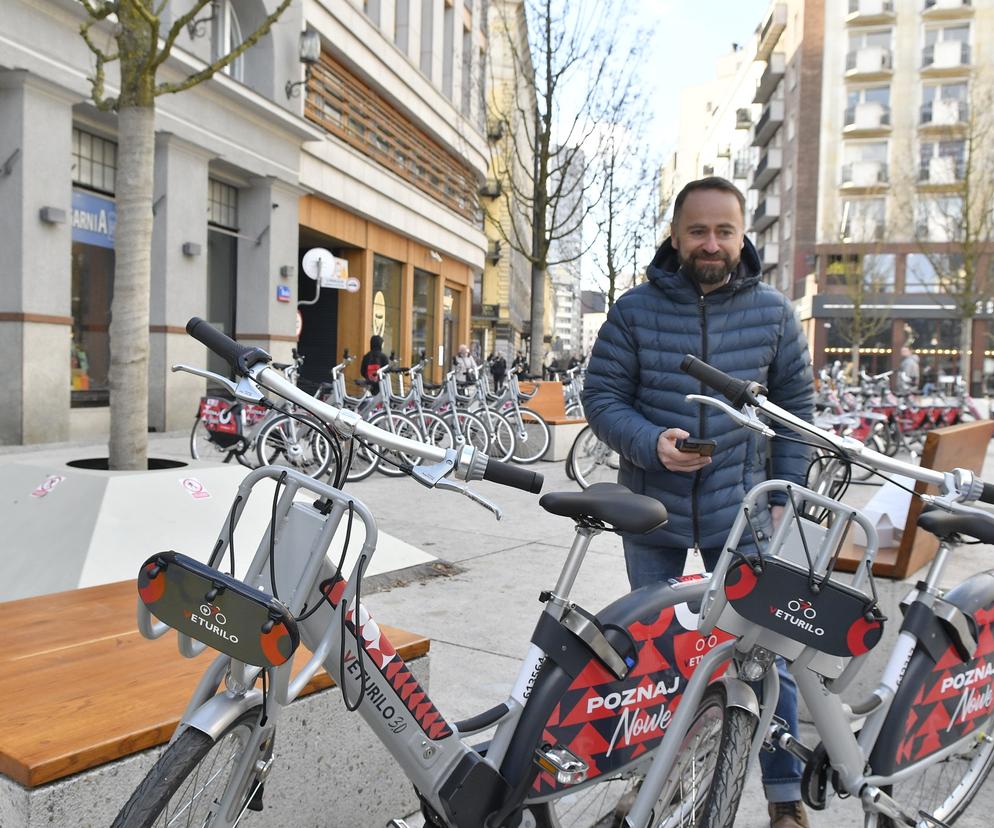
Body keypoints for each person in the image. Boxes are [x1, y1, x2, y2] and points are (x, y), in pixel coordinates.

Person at [583, 176, 814, 828]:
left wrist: (783, 496)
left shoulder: (773, 313)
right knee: (650, 656)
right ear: (676, 234)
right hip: (650, 511)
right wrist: (653, 443)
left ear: (743, 237)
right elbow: (601, 400)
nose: (711, 243)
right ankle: (644, 780)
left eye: (724, 230)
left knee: (765, 651)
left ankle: (784, 794)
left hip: (738, 507)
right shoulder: (633, 310)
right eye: (697, 230)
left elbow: (795, 411)